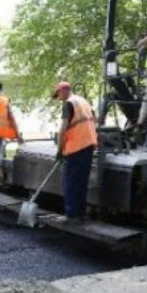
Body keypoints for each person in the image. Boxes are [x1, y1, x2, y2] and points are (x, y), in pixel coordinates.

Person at [53, 81, 98, 222]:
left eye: (58, 94)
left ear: (63, 90)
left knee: (70, 181)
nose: (59, 98)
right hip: (89, 144)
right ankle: (81, 214)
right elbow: (94, 120)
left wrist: (60, 150)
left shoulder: (69, 103)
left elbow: (63, 129)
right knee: (82, 181)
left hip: (76, 146)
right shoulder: (83, 101)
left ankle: (70, 215)